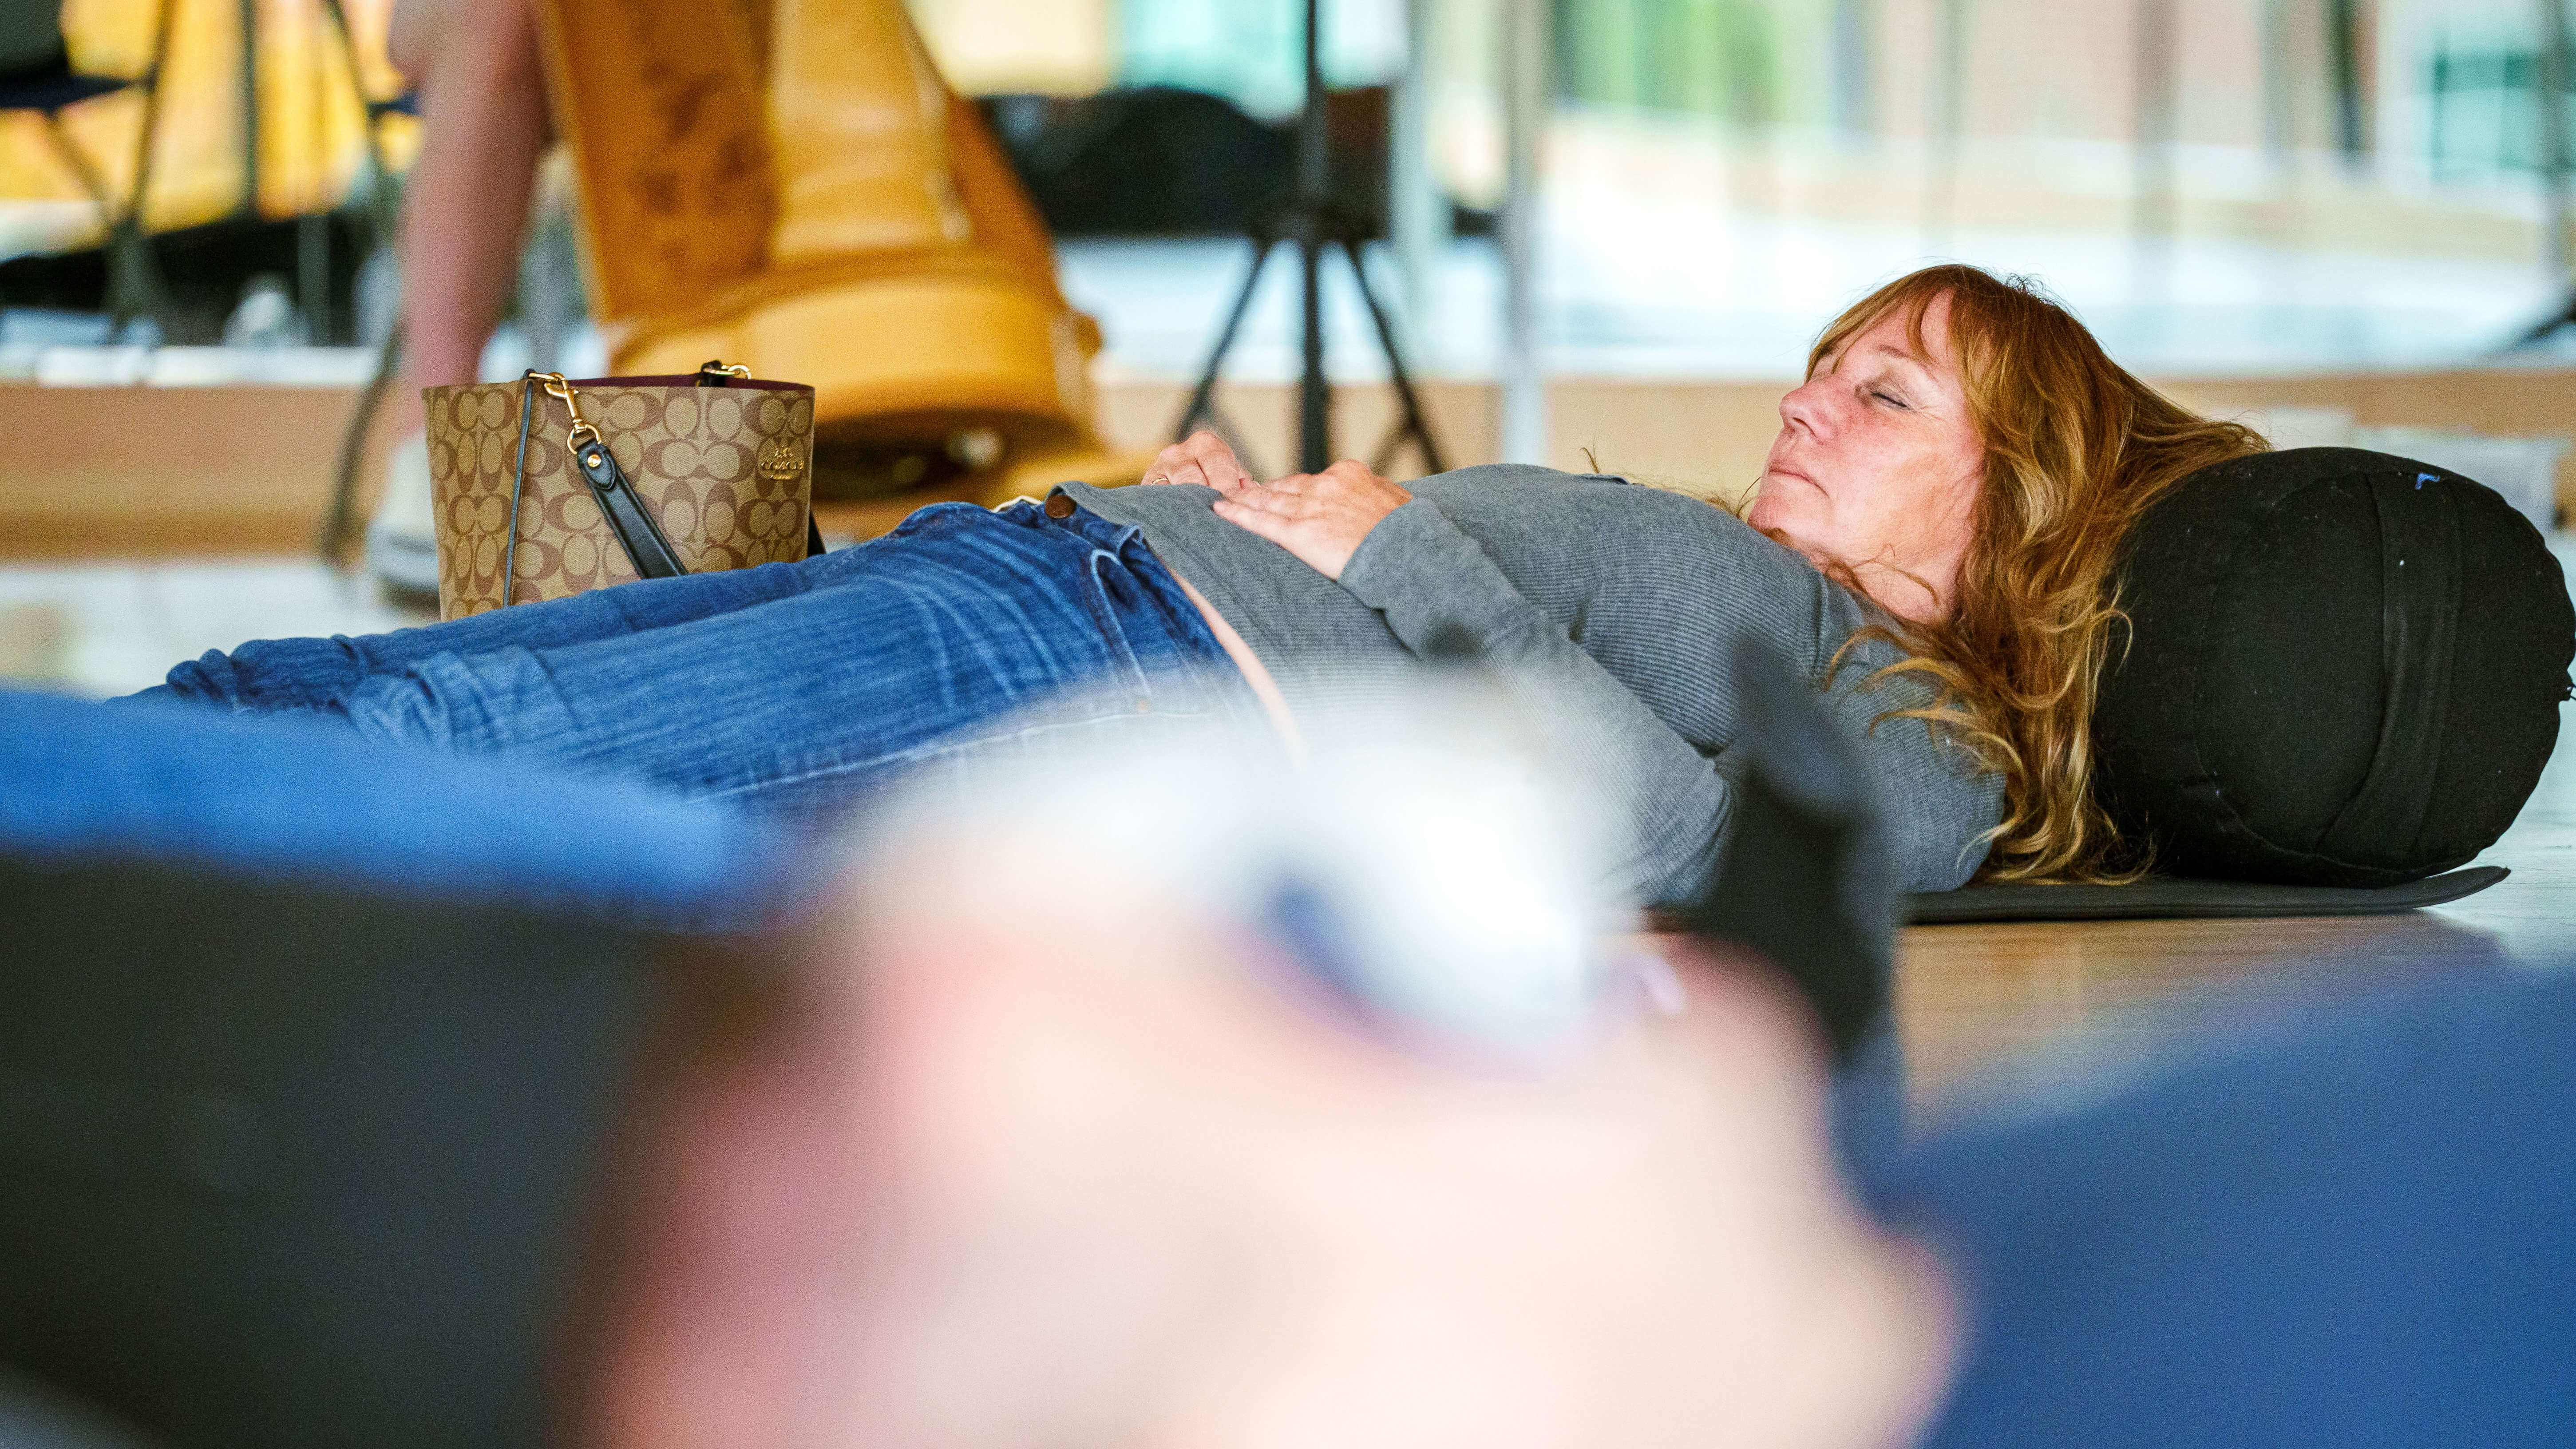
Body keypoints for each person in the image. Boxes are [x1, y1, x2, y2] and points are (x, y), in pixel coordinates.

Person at [138, 264, 2261, 903]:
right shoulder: (1738, 573)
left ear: (2016, 503)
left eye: (1879, 394)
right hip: (1068, 581)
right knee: (345, 691)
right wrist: (1254, 510)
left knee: (427, 751)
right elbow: (1433, 624)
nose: (1805, 405)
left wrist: (1389, 550)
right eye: (1818, 364)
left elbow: (1703, 849)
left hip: (1107, 668)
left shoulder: (1926, 744)